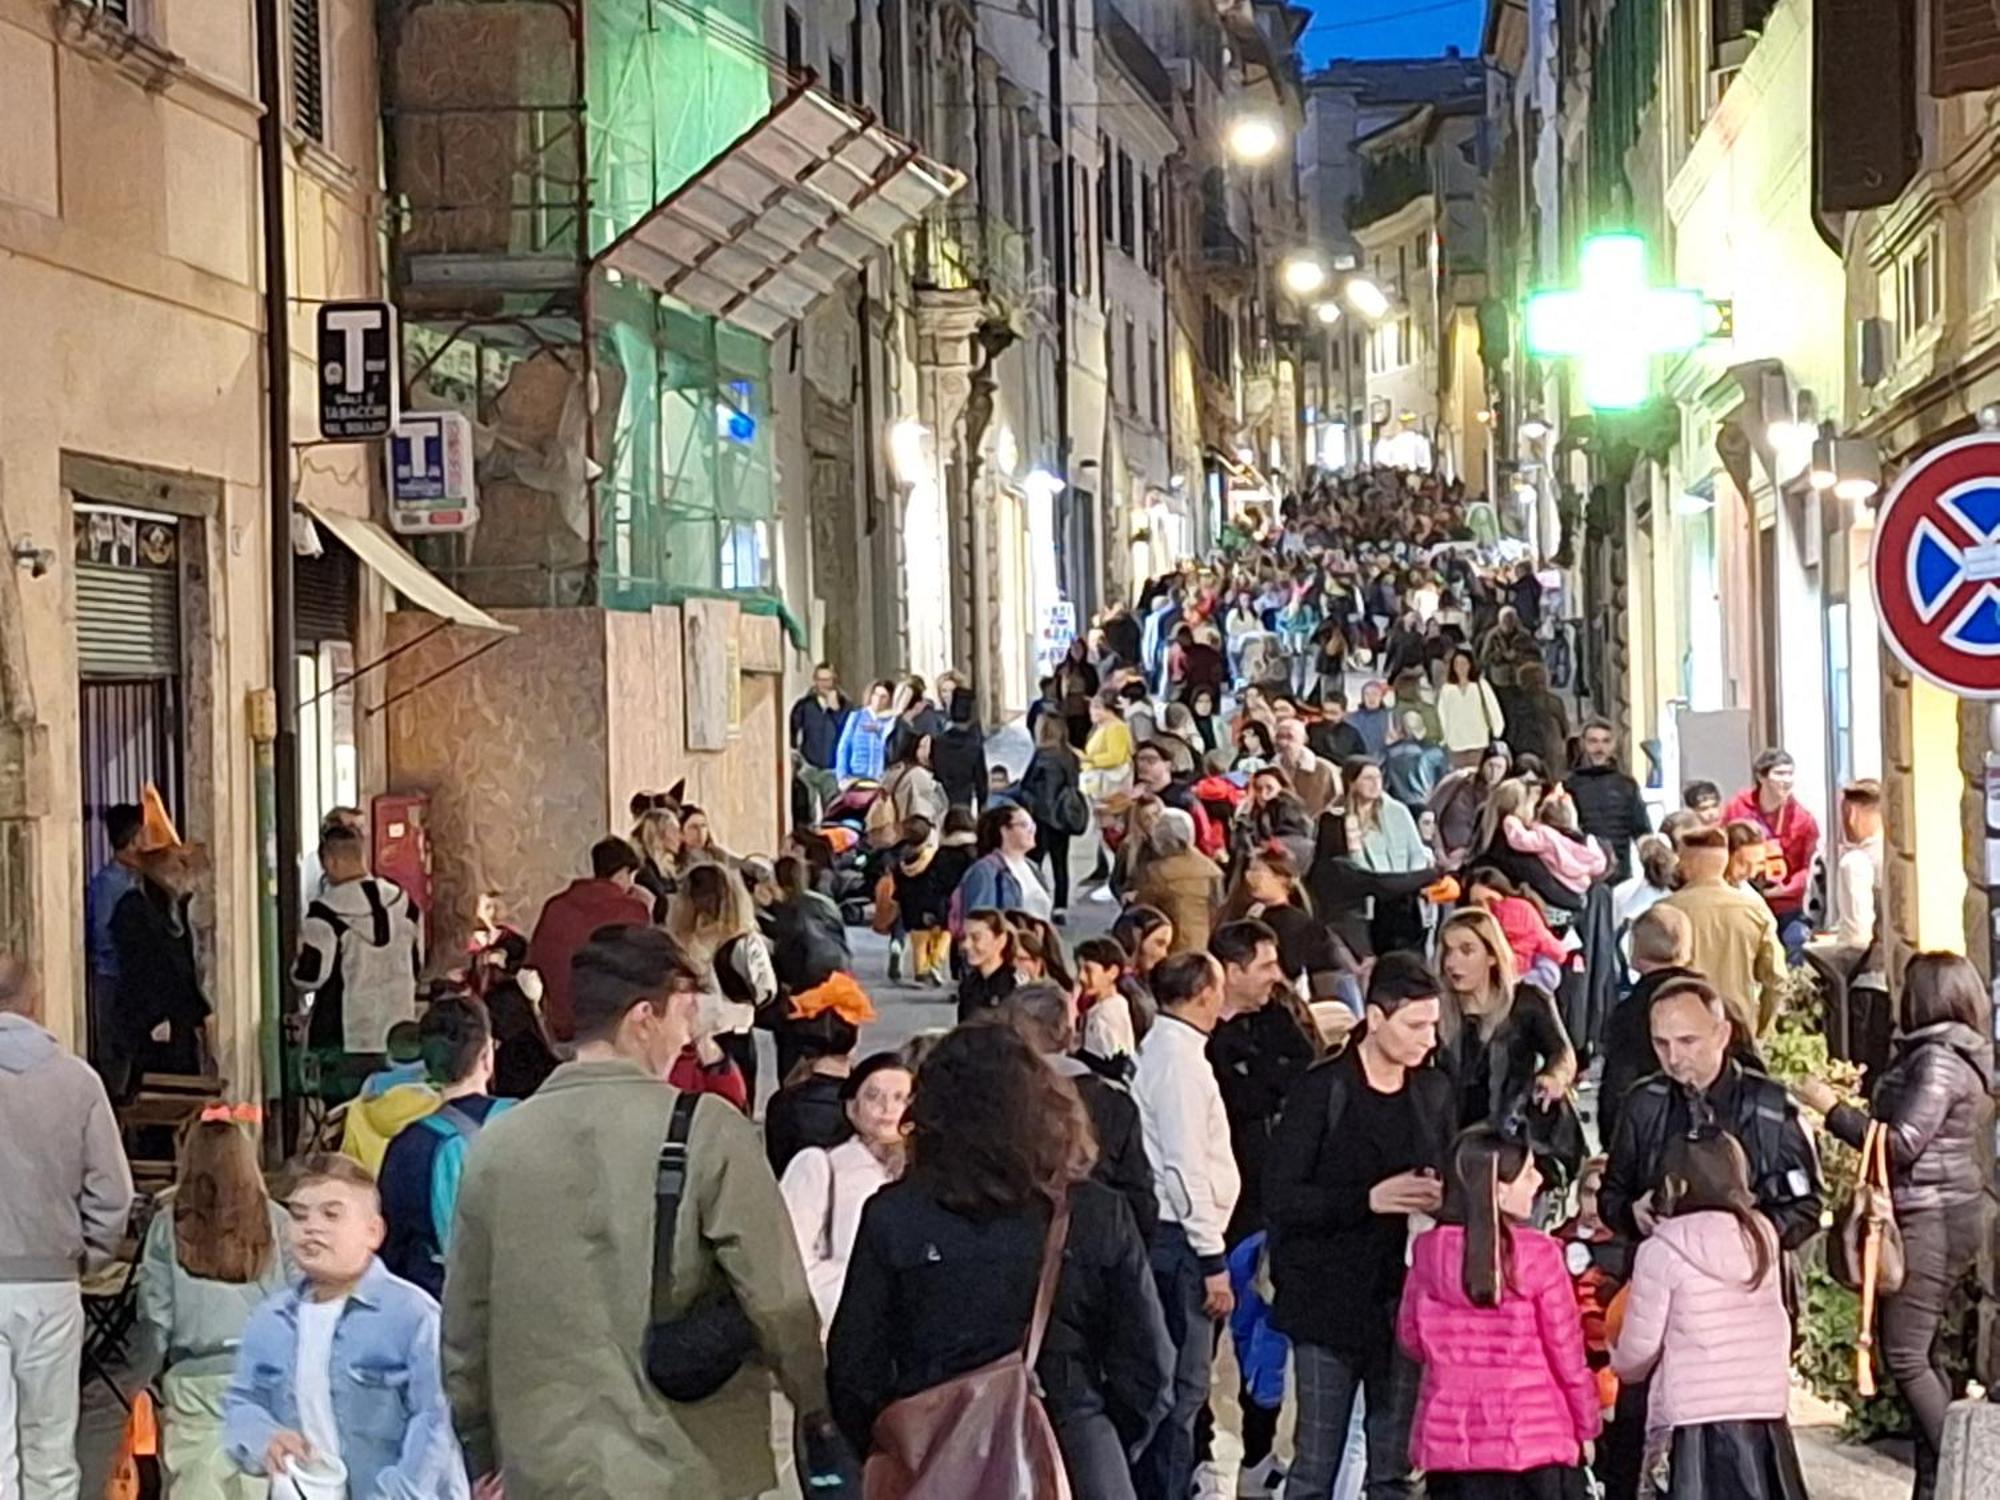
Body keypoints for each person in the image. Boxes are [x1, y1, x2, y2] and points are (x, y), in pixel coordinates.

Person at [443, 924, 837, 1497]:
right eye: (683, 1014)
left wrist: (481, 1448)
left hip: (549, 1465)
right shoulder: (708, 1132)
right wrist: (815, 1409)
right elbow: (777, 1300)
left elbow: (465, 1325)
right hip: (691, 1465)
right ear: (642, 1017)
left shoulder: (497, 1145)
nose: (688, 1034)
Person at [827, 1023, 1173, 1500]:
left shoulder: (895, 1215)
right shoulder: (1095, 1212)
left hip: (935, 1455)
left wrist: (898, 1434)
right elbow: (1149, 1368)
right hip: (1074, 1447)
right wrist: (1098, 1432)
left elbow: (853, 1372)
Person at [1793, 953, 1994, 1499]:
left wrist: (1831, 1108)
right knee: (1922, 1354)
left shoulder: (1940, 1060)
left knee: (1905, 1352)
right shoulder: (1951, 1054)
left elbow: (1901, 1142)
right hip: (1938, 1209)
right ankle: (1933, 1485)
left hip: (1928, 1216)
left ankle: (1970, 1466)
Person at [1265, 953, 1451, 1500]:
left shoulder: (1432, 1092)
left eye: (1433, 1025)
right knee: (1315, 1467)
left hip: (1405, 1303)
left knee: (1393, 1470)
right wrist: (1368, 1200)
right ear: (1375, 1018)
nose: (1428, 1039)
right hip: (1327, 1304)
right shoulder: (1323, 1090)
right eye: (1415, 1025)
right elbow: (1282, 1197)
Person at [223, 1154, 467, 1499]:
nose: (312, 1227)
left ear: (374, 1231)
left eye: (331, 1215)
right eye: (299, 1215)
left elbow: (435, 1421)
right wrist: (263, 1438)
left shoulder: (412, 1316)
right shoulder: (270, 1320)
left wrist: (396, 1493)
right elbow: (241, 1401)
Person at [1398, 1125, 1600, 1498]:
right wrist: (1586, 1427)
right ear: (1497, 1189)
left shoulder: (1428, 1254)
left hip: (1450, 1443)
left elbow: (1411, 1340)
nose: (1538, 1180)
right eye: (1527, 1174)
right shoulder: (1539, 1255)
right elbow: (1567, 1356)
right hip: (1536, 1439)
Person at [0, 955, 133, 1500]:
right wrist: (90, 1256)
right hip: (52, 1283)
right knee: (52, 1449)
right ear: (35, 1000)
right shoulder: (78, 1080)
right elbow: (113, 1192)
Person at [1608, 1131, 1803, 1498]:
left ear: (1672, 1184)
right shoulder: (1762, 1239)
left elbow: (1639, 1350)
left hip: (1690, 1423)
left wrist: (1617, 1358)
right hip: (1761, 1415)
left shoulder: (1660, 1251)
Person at [134, 1115, 293, 1500]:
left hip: (192, 1376)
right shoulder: (278, 1222)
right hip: (264, 1376)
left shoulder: (167, 1225)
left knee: (196, 1480)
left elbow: (156, 1313)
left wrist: (145, 1376)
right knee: (256, 1483)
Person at [1132, 953, 1243, 1499]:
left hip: (1182, 1239)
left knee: (1182, 1387)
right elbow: (1183, 1166)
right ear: (1203, 993)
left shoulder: (1177, 1052)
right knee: (1183, 1388)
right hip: (1181, 1244)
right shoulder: (1178, 1063)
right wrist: (1212, 1259)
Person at [1004, 981, 1160, 1245]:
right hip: (1094, 1243)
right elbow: (1138, 1195)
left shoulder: (994, 1094)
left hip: (1008, 1242)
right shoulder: (1112, 1100)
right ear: (1067, 1033)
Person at [377, 995, 510, 1299]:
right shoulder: (526, 1123)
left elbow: (392, 1250)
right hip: (516, 1302)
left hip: (439, 1304)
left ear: (427, 1064)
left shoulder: (407, 1146)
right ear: (487, 1056)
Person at [1433, 909, 1578, 1169]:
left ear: (1491, 955)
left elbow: (1562, 1052)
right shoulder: (1435, 1010)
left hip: (1515, 1135)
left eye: (1466, 951)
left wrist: (1554, 1077)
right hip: (1454, 1139)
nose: (1452, 962)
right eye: (1447, 951)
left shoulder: (1527, 1000)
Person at [780, 1052, 913, 1331]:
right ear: (852, 1107)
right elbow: (788, 1260)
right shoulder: (821, 1166)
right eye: (873, 1096)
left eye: (901, 1098)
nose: (887, 1107)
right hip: (837, 1322)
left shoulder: (923, 1173)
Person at [108, 784, 213, 1097]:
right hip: (151, 1027)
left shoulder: (175, 908)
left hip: (180, 1027)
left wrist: (199, 1013)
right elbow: (142, 971)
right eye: (176, 863)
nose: (184, 872)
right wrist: (156, 1016)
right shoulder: (132, 909)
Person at [295, 823, 424, 1068]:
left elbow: (310, 976)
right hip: (398, 1032)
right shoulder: (404, 904)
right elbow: (417, 964)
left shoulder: (324, 914)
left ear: (330, 862)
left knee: (347, 1105)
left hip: (344, 1040)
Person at [525, 836, 653, 1044]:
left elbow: (536, 961)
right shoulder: (631, 910)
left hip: (552, 1025)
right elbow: (644, 970)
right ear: (623, 872)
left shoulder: (556, 906)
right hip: (607, 1028)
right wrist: (648, 910)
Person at [1661, 827, 1786, 1034]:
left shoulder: (1665, 912)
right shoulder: (1754, 910)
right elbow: (1777, 979)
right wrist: (1760, 1029)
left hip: (1684, 1032)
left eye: (1681, 861)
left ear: (1690, 865)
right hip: (1739, 1027)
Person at [1597, 906, 1698, 1146]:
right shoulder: (1716, 1002)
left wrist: (1612, 1143)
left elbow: (1618, 1085)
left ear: (1635, 953)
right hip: (1710, 1137)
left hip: (1647, 1138)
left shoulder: (1629, 1013)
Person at [1723, 749, 1820, 960]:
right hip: (1742, 899)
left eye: (1790, 773)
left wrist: (1785, 889)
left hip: (1786, 904)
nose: (1787, 780)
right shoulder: (1736, 809)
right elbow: (1721, 851)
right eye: (1779, 774)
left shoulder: (1803, 820)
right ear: (1761, 776)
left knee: (1797, 944)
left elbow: (1808, 867)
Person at [84, 801, 143, 1084]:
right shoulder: (108, 884)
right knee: (114, 1052)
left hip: (127, 978)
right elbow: (102, 933)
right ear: (132, 841)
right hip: (113, 977)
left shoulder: (134, 882)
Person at [1565, 718, 1653, 885]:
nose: (1600, 748)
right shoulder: (1570, 786)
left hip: (1621, 873)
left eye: (1606, 741)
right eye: (1593, 741)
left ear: (1613, 745)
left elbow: (1641, 829)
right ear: (1583, 743)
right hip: (1584, 872)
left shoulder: (1627, 785)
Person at [1132, 808, 1225, 958]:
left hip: (1169, 948)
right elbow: (1218, 910)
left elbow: (1143, 910)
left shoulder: (1155, 872)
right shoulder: (1211, 869)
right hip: (1205, 947)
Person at [1020, 712, 1086, 920]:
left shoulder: (1042, 757)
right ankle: (1060, 907)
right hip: (1063, 815)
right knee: (1060, 863)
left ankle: (1035, 902)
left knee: (1034, 861)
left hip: (1041, 816)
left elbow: (1029, 787)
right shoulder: (1070, 756)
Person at [956, 802, 1054, 923]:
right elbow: (978, 923)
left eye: (1033, 825)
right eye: (1025, 825)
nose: (1032, 830)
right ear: (1004, 831)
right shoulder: (985, 872)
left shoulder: (1032, 867)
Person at [1831, 778, 1885, 951]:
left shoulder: (1854, 863)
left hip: (1873, 962)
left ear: (1853, 813)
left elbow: (1856, 935)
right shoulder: (1899, 854)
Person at [1436, 650, 1506, 767]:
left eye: (1464, 663)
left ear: (1470, 665)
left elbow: (1493, 708)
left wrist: (1497, 730)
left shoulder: (1480, 685)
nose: (1461, 667)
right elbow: (1442, 714)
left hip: (1478, 741)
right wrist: (1445, 737)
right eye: (1457, 664)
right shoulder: (1447, 689)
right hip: (1456, 743)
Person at [931, 687, 990, 811]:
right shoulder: (973, 744)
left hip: (940, 799)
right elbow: (981, 779)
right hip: (963, 801)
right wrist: (982, 806)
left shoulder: (938, 741)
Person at [955, 909, 1021, 1021]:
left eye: (976, 938)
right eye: (964, 937)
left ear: (1000, 940)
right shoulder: (969, 984)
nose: (966, 945)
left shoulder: (1016, 984)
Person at [791, 663, 854, 773]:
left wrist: (836, 711)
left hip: (835, 769)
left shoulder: (846, 706)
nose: (824, 685)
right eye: (820, 680)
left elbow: (849, 733)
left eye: (827, 680)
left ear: (834, 680)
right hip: (809, 768)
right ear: (815, 681)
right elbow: (791, 730)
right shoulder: (805, 705)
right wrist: (795, 754)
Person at [834, 680, 899, 784]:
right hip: (856, 777)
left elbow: (892, 750)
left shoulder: (892, 721)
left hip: (880, 779)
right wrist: (842, 777)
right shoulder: (857, 717)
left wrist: (881, 730)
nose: (878, 700)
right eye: (876, 695)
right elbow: (844, 746)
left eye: (883, 697)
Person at [1382, 711, 1449, 811]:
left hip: (1400, 806)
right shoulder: (1435, 752)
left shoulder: (1389, 753)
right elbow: (1446, 783)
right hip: (1430, 805)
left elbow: (1385, 784)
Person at [1274, 718, 1339, 819]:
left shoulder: (1324, 769)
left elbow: (1336, 801)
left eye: (1290, 737)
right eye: (1279, 737)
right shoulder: (1270, 769)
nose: (1283, 743)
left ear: (1304, 740)